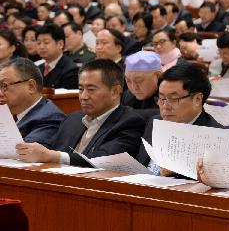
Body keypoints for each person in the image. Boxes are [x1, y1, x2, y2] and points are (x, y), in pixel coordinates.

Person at [15, 59, 144, 166]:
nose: (83, 96)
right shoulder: (73, 119)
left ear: (115, 91)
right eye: (81, 89)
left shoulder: (130, 122)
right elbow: (49, 147)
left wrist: (53, 156)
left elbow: (103, 160)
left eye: (91, 89)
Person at [136, 63, 227, 168]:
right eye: (161, 98)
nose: (165, 106)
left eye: (173, 99)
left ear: (197, 99)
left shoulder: (214, 137)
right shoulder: (155, 122)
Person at [0, 58, 66, 146]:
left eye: (4, 86)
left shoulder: (50, 118)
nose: (0, 93)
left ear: (31, 86)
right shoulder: (7, 113)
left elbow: (22, 151)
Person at [35, 24, 79, 89]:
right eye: (39, 43)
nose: (41, 47)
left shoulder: (70, 70)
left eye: (46, 42)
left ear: (60, 44)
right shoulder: (37, 69)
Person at [122, 51, 163, 118]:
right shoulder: (127, 96)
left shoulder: (171, 94)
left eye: (139, 81)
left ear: (158, 75)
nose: (134, 87)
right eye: (128, 81)